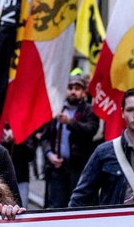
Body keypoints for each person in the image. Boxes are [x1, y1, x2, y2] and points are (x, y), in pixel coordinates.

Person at [39, 70, 99, 208]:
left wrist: (70, 122)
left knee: (76, 206)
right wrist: (49, 155)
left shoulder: (89, 110)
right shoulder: (57, 109)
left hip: (78, 169)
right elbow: (45, 137)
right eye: (70, 88)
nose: (73, 92)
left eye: (77, 89)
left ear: (84, 92)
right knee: (55, 208)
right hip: (56, 168)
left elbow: (91, 130)